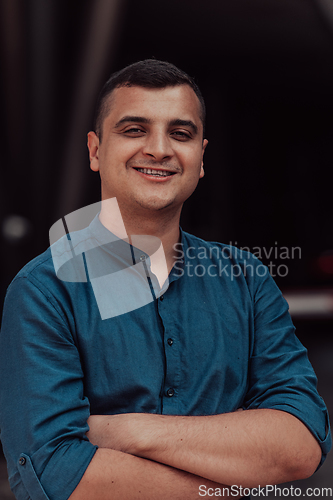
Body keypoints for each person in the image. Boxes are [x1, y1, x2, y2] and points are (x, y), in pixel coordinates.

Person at [0, 59, 331, 500]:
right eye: (135, 129)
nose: (159, 149)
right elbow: (56, 474)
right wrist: (236, 481)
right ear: (95, 151)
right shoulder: (44, 290)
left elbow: (301, 442)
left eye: (180, 133)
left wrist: (128, 431)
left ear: (201, 157)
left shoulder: (247, 280)